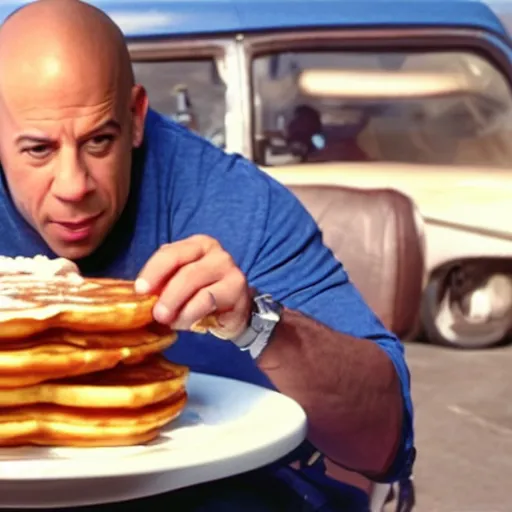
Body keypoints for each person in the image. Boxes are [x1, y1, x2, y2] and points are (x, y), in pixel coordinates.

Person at [0, 1, 415, 510]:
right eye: (38, 149)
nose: (73, 186)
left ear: (135, 118)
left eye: (99, 141)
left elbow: (383, 443)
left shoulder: (237, 204)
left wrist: (258, 324)